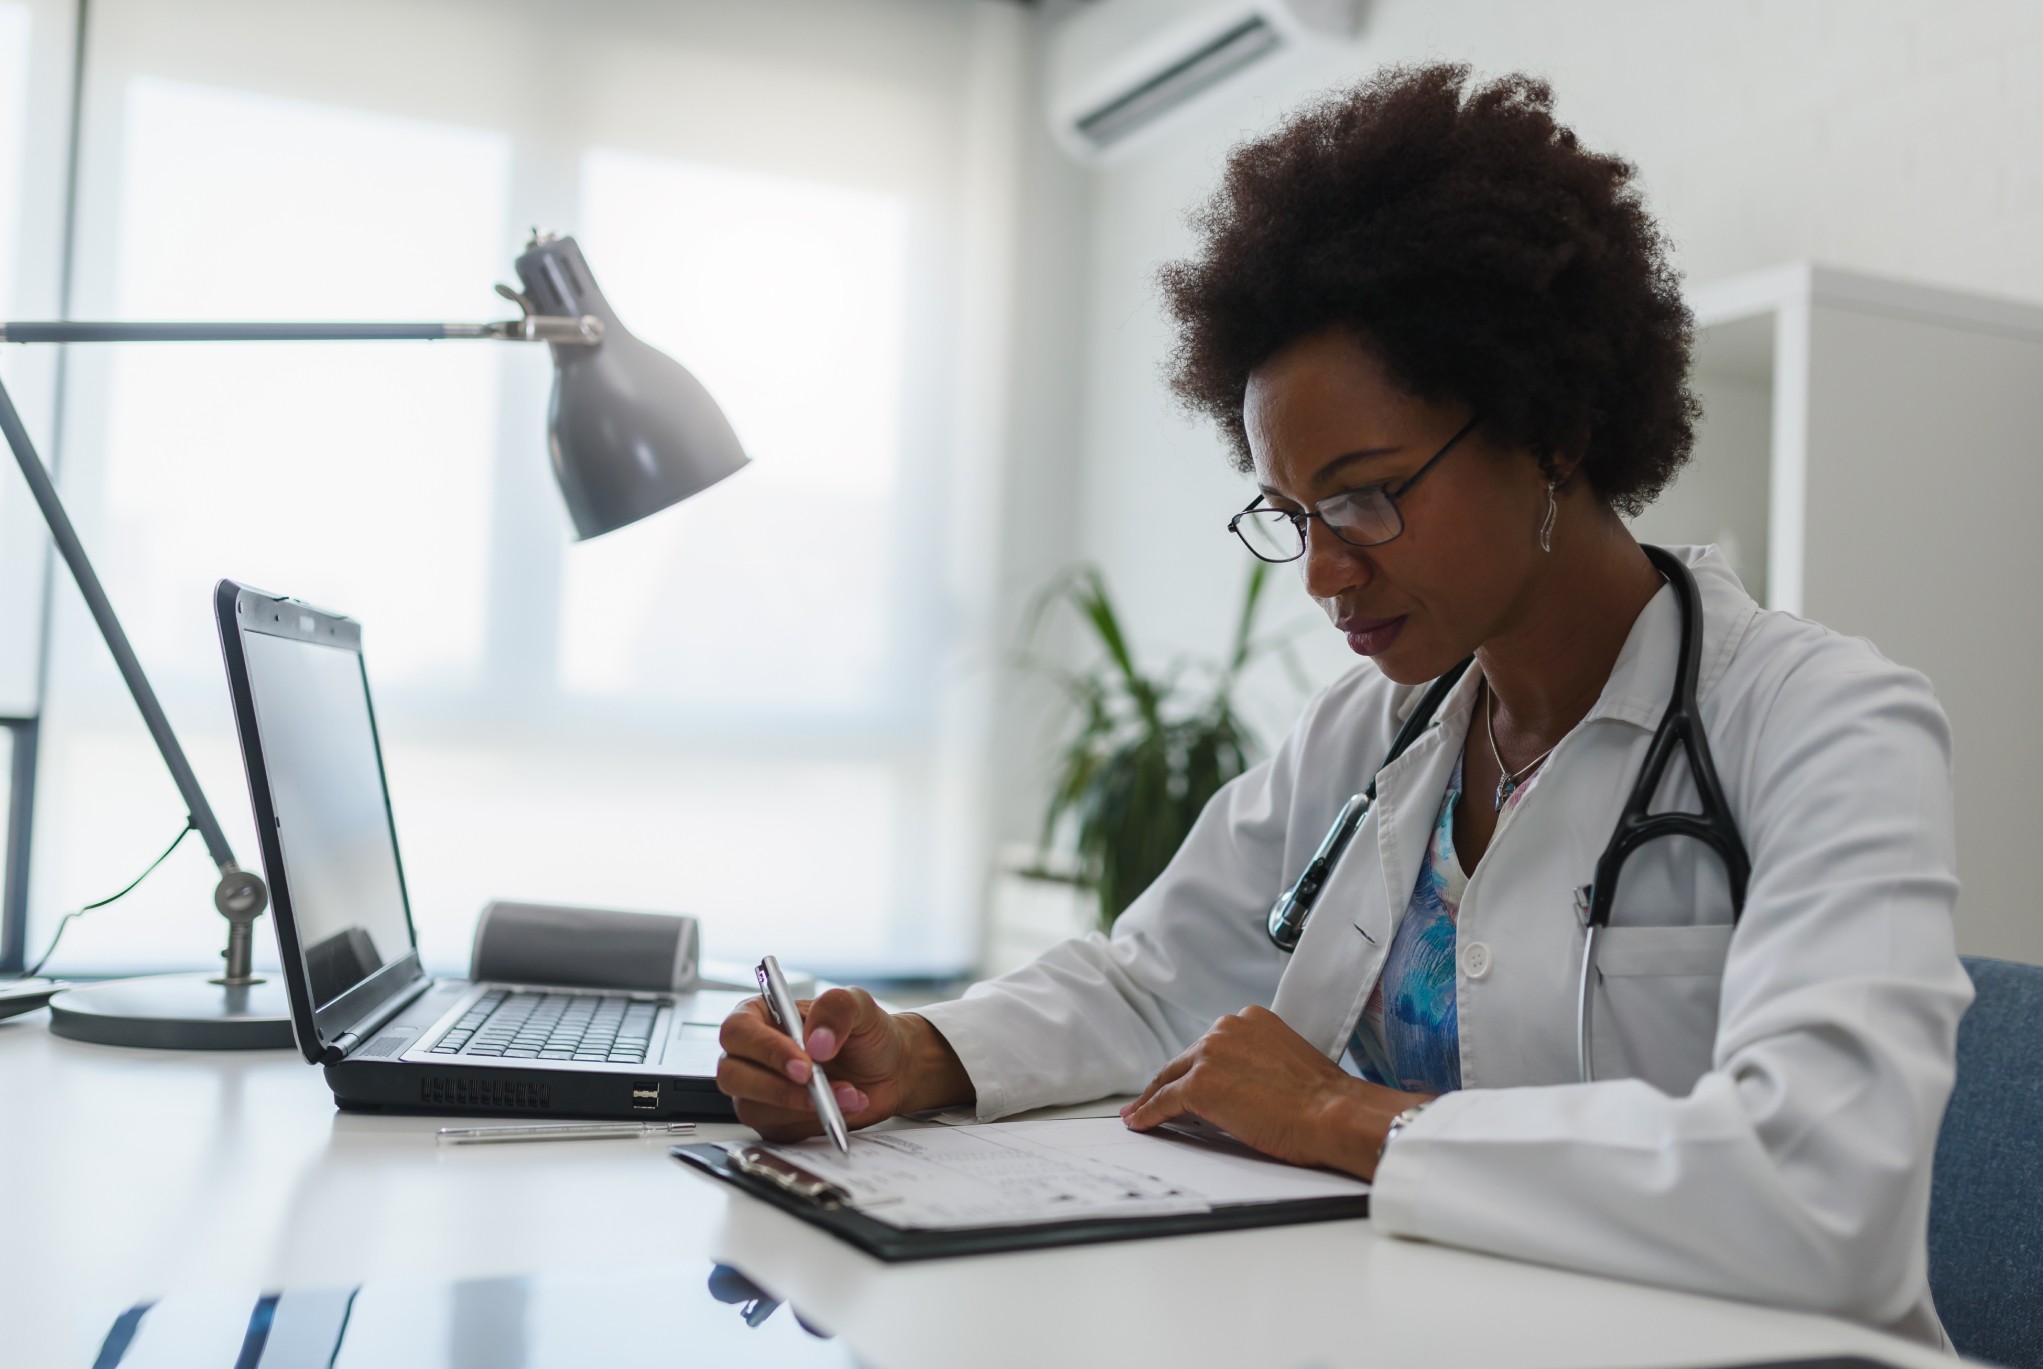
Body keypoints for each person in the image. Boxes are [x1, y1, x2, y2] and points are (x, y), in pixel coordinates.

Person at [715, 64, 1969, 1346]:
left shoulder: (1826, 724)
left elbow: (1826, 1188)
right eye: (1293, 514)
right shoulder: (1385, 728)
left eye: (1367, 496)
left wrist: (1344, 1116)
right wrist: (922, 1052)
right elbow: (1161, 982)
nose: (1322, 571)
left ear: (1554, 431)